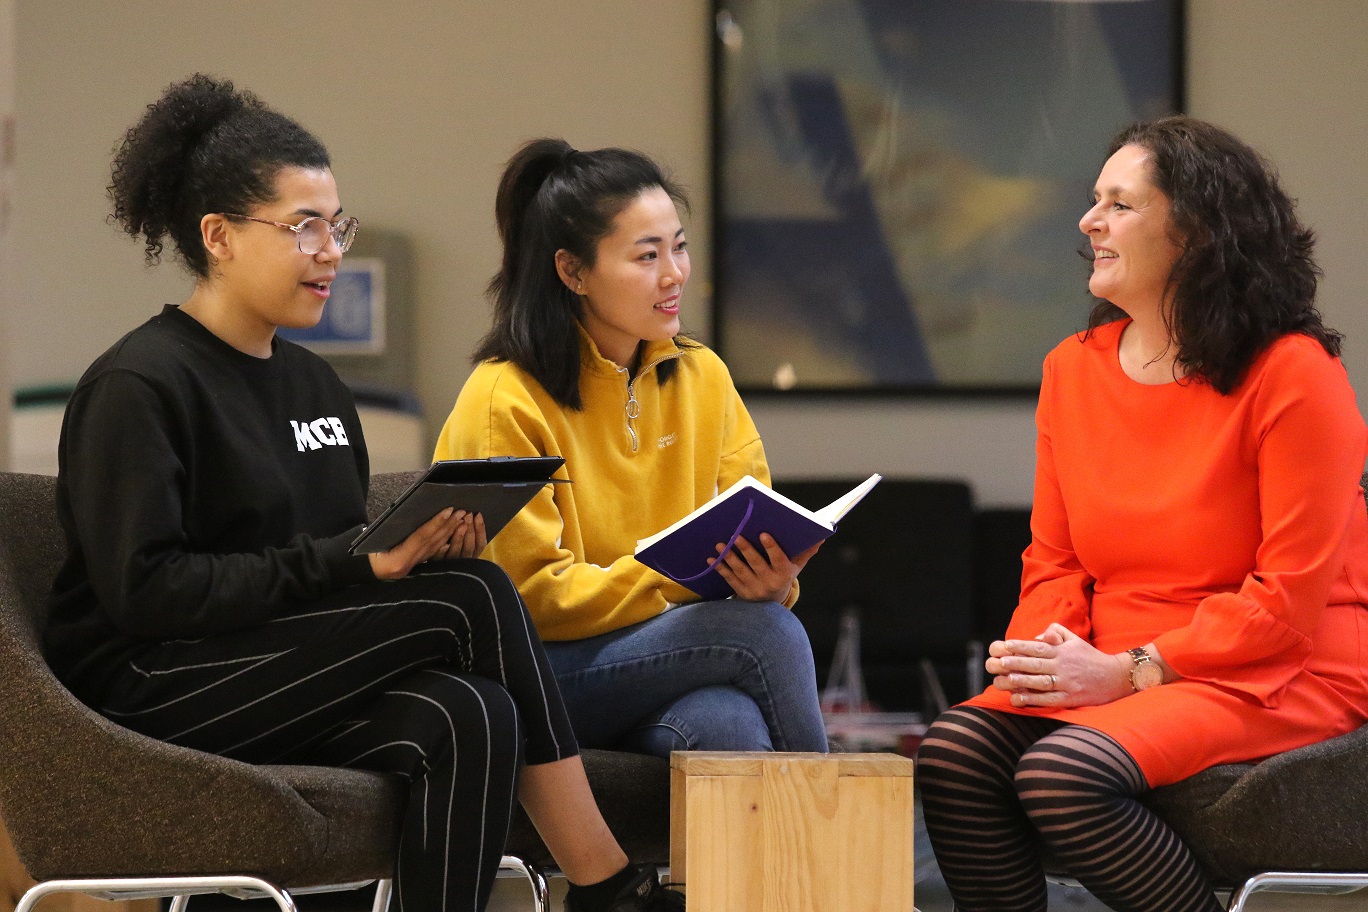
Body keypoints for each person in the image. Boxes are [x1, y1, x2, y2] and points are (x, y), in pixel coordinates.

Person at [42, 75, 683, 912]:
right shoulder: (140, 383)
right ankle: (603, 882)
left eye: (335, 226)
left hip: (272, 668)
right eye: (303, 227)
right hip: (149, 688)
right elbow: (147, 591)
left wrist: (405, 553)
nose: (331, 250)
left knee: (472, 712)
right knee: (475, 593)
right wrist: (354, 563)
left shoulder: (316, 388)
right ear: (219, 237)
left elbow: (332, 568)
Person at [915, 114, 1368, 912]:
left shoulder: (1296, 374)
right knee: (954, 753)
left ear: (1195, 233)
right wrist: (1047, 658)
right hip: (1112, 660)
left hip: (1274, 668)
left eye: (1119, 205)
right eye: (1095, 201)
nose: (1089, 222)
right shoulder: (1072, 370)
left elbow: (1286, 604)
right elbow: (1054, 561)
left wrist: (1130, 672)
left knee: (1061, 776)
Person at [432, 139, 828, 758]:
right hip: (540, 672)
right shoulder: (503, 398)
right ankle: (832, 850)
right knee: (767, 635)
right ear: (573, 272)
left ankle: (758, 858)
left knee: (724, 721)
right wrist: (680, 584)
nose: (674, 274)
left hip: (664, 655)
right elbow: (531, 599)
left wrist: (771, 579)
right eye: (647, 256)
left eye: (679, 246)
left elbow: (751, 518)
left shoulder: (703, 377)